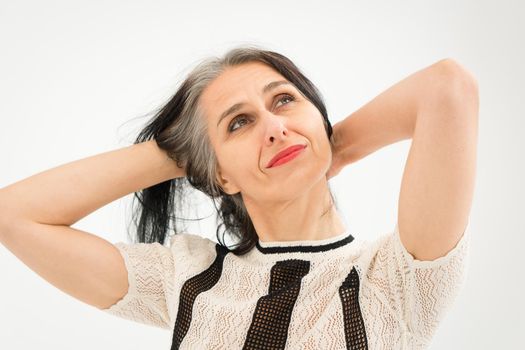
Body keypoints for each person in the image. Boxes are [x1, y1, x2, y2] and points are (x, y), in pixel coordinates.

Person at [0, 45, 478, 349]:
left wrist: (334, 146)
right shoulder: (187, 278)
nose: (274, 127)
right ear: (219, 176)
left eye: (284, 100)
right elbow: (14, 215)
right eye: (239, 122)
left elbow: (447, 86)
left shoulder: (395, 281)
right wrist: (187, 153)